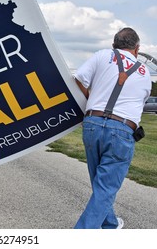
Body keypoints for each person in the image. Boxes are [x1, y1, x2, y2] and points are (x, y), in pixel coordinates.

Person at [73, 27, 151, 229]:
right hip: (122, 130)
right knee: (106, 186)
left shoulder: (102, 55)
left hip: (92, 124)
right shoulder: (144, 73)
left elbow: (80, 77)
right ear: (137, 49)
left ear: (114, 45)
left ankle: (110, 224)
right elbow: (140, 102)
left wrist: (91, 101)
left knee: (99, 182)